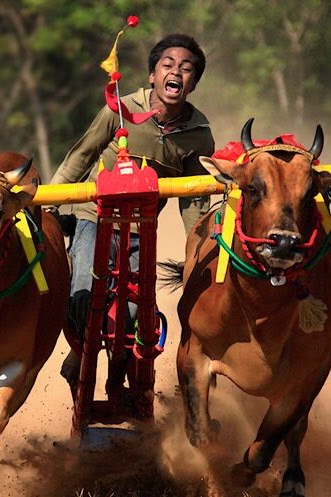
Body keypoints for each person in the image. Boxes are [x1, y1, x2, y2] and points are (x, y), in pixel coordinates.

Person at [48, 34, 215, 387]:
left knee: (137, 311)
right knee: (81, 291)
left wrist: (202, 248)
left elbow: (195, 202)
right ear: (152, 75)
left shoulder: (198, 135)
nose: (176, 73)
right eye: (167, 65)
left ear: (194, 83)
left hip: (142, 228)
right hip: (92, 217)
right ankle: (79, 353)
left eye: (186, 69)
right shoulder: (119, 110)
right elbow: (80, 156)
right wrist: (49, 205)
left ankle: (120, 372)